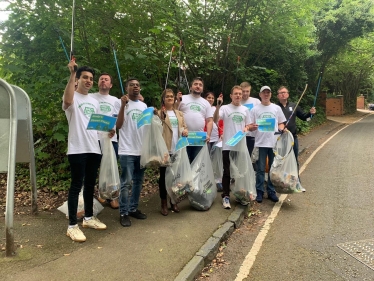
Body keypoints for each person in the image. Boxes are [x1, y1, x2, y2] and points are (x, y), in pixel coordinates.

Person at [63, 61, 107, 242]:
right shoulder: (72, 97)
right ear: (78, 80)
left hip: (93, 148)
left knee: (90, 185)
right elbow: (67, 101)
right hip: (77, 148)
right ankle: (72, 226)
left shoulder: (94, 101)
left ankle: (88, 218)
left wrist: (108, 130)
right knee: (76, 186)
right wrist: (72, 73)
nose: (88, 81)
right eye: (85, 78)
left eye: (91, 79)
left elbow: (97, 126)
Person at [213, 86, 255, 209]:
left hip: (241, 146)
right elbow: (215, 119)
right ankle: (226, 196)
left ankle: (239, 194)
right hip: (228, 145)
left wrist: (247, 128)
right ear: (231, 96)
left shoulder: (245, 110)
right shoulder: (225, 108)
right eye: (235, 94)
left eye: (240, 94)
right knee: (227, 172)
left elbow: (249, 125)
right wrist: (218, 106)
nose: (238, 96)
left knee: (240, 172)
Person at [116, 78, 148, 227]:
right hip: (127, 149)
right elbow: (118, 125)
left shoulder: (143, 105)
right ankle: (123, 212)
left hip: (141, 150)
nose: (135, 87)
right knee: (126, 183)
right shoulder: (120, 102)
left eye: (137, 85)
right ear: (126, 88)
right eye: (131, 85)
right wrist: (123, 105)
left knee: (138, 182)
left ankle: (133, 208)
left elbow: (147, 127)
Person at [248, 86, 286, 203]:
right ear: (260, 95)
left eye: (268, 93)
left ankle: (271, 191)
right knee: (260, 169)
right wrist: (252, 127)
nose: (266, 95)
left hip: (273, 143)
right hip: (260, 143)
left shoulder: (276, 108)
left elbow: (281, 123)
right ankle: (259, 191)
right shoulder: (254, 109)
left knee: (272, 168)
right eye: (264, 93)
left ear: (271, 94)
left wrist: (281, 129)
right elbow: (250, 126)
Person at [276, 86, 316, 191]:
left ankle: (296, 183)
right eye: (280, 93)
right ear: (277, 96)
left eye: (284, 92)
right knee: (280, 161)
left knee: (294, 160)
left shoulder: (294, 106)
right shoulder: (275, 107)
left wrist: (311, 114)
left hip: (292, 138)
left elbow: (305, 118)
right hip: (279, 139)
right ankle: (280, 182)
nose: (283, 94)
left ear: (288, 94)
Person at [157, 89, 188, 215]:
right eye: (167, 96)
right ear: (163, 99)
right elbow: (156, 130)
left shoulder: (179, 114)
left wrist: (185, 131)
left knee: (175, 177)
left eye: (171, 96)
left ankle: (173, 201)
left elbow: (184, 127)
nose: (170, 98)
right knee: (164, 178)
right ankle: (164, 202)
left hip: (178, 149)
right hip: (165, 149)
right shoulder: (159, 113)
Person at [92, 72, 120, 208]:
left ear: (111, 84)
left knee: (111, 168)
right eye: (101, 79)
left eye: (106, 79)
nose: (103, 81)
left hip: (111, 139)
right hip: (94, 139)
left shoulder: (116, 100)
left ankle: (112, 196)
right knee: (95, 168)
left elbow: (122, 117)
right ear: (98, 83)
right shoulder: (90, 97)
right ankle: (100, 194)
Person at [176, 77, 213, 163]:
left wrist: (208, 135)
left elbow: (210, 121)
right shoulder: (182, 98)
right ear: (191, 87)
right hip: (184, 137)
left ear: (202, 88)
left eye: (200, 85)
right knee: (183, 164)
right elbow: (174, 113)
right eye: (195, 84)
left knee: (197, 165)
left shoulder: (206, 102)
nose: (198, 86)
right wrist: (177, 102)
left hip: (199, 139)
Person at [240, 82, 261, 158]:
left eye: (247, 91)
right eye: (243, 91)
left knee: (252, 158)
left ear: (250, 91)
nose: (245, 93)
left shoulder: (256, 101)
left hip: (253, 135)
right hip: (240, 135)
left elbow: (261, 115)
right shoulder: (237, 101)